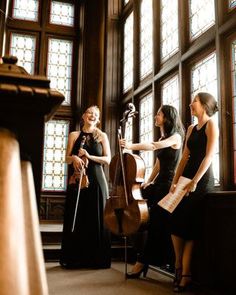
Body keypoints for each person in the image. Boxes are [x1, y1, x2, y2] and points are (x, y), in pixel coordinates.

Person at [120, 104, 185, 278]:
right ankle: (143, 255)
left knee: (156, 224)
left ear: (167, 118)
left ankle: (143, 262)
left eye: (158, 114)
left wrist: (130, 146)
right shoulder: (165, 135)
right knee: (141, 213)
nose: (156, 116)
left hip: (168, 186)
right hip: (159, 184)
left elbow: (154, 146)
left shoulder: (176, 137)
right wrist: (148, 181)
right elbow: (158, 163)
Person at [169, 92, 219, 292]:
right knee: (175, 222)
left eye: (195, 101)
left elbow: (209, 156)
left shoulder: (211, 124)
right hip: (185, 179)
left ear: (204, 105)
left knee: (190, 227)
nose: (191, 104)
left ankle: (185, 272)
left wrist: (195, 182)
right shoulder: (190, 128)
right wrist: (174, 183)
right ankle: (178, 264)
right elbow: (183, 158)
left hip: (202, 179)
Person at [60, 105, 111, 269]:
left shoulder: (101, 135)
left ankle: (96, 259)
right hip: (78, 180)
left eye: (96, 114)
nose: (93, 115)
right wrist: (74, 157)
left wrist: (89, 156)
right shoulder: (74, 135)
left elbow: (108, 159)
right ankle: (75, 258)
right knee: (78, 216)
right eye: (90, 112)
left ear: (98, 119)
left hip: (97, 179)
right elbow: (66, 159)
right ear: (83, 116)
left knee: (95, 218)